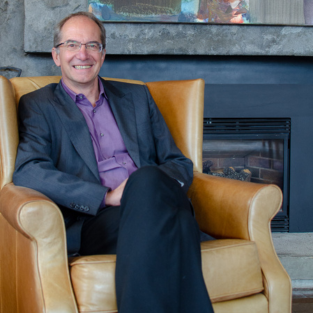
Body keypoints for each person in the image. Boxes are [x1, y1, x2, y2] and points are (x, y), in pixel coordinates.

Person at [13, 11, 214, 313]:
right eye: (72, 45)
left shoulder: (137, 97)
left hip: (151, 199)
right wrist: (105, 197)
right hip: (97, 219)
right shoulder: (38, 105)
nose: (83, 54)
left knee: (145, 180)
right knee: (180, 222)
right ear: (56, 55)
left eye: (92, 45)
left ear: (103, 54)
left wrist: (144, 188)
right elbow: (29, 170)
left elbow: (177, 162)